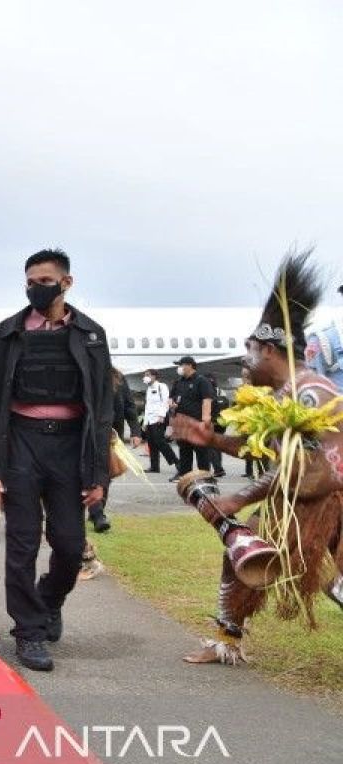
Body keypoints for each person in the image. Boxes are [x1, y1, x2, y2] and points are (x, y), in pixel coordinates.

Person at [171, 250, 343, 665]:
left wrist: (240, 498)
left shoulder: (310, 393)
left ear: (268, 350)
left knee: (335, 583)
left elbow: (309, 469)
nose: (244, 361)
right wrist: (212, 439)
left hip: (327, 504)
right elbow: (268, 451)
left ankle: (227, 638)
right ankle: (226, 640)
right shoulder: (284, 396)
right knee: (243, 554)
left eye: (248, 349)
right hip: (300, 503)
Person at [0, 248, 112, 672]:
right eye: (30, 281)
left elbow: (103, 406)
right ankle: (29, 633)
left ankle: (49, 599)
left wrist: (98, 472)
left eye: (45, 280)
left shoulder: (91, 335)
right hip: (20, 443)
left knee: (70, 546)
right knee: (22, 542)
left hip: (70, 448)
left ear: (66, 283)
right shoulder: (3, 336)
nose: (36, 288)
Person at [86, 368, 142, 533]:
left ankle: (97, 510)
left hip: (111, 435)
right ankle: (97, 514)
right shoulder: (87, 373)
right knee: (91, 472)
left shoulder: (119, 378)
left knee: (106, 473)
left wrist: (136, 432)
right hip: (88, 432)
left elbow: (129, 406)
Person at [169, 356, 214, 482]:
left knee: (201, 451)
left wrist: (206, 419)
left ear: (189, 365)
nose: (180, 368)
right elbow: (171, 397)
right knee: (184, 450)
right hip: (182, 422)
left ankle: (204, 476)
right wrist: (171, 404)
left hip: (197, 422)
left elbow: (207, 400)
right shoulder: (178, 382)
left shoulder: (201, 381)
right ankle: (184, 475)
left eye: (181, 365)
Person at [140, 368, 177, 473]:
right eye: (145, 375)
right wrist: (145, 422)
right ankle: (154, 466)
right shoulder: (148, 389)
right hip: (150, 419)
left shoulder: (162, 386)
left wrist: (161, 415)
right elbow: (148, 406)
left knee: (160, 441)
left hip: (159, 418)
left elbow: (165, 402)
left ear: (154, 376)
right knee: (151, 443)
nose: (145, 377)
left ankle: (176, 461)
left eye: (148, 375)